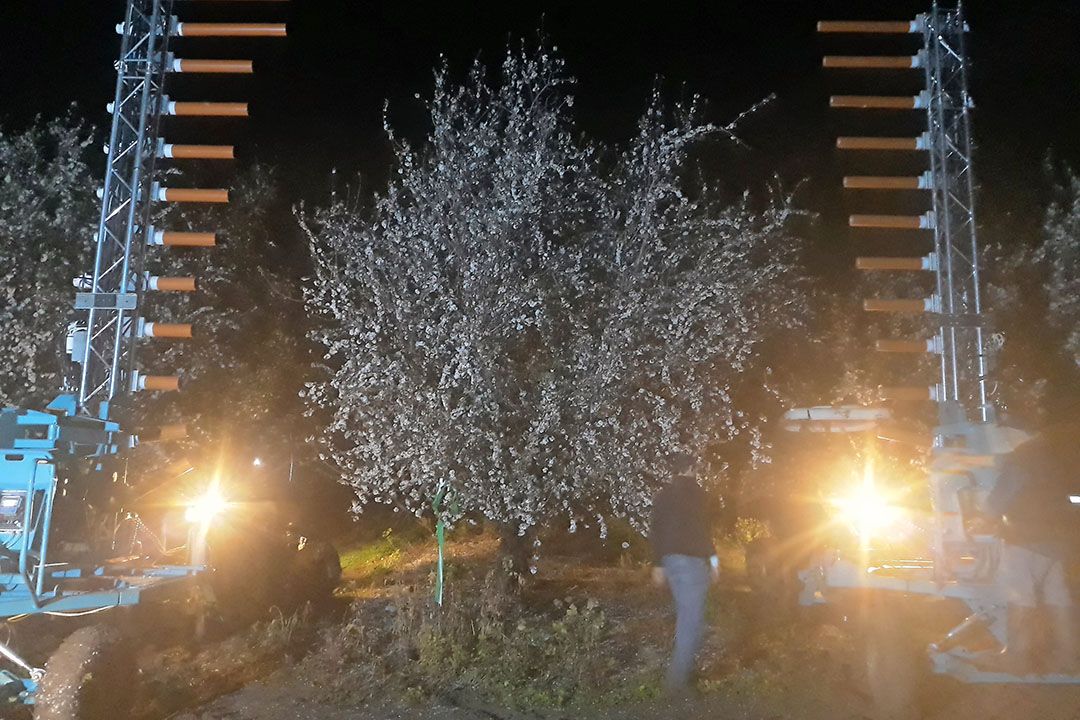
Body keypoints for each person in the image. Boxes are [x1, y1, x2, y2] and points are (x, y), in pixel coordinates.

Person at [985, 421, 1080, 674]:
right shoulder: (1055, 456)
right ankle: (1070, 659)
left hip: (1025, 541)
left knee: (1020, 602)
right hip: (1059, 543)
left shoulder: (1022, 457)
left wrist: (982, 517)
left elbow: (997, 502)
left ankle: (1018, 661)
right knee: (1059, 600)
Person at [649, 452, 720, 692]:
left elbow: (656, 529)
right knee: (691, 621)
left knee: (685, 615)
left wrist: (658, 564)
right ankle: (676, 687)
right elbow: (704, 530)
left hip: (671, 561)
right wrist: (714, 562)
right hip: (692, 562)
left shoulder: (663, 496)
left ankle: (680, 677)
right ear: (691, 468)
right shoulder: (699, 495)